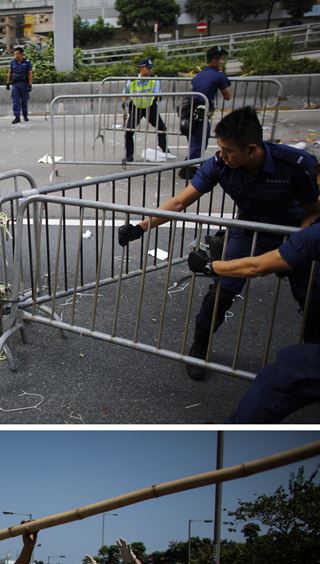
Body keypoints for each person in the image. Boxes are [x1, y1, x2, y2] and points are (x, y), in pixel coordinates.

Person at [117, 106, 320, 380]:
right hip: (248, 230)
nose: (222, 156)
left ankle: (312, 361)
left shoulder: (295, 164)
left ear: (251, 149)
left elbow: (313, 210)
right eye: (220, 149)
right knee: (223, 287)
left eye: (228, 151)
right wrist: (140, 227)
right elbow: (180, 201)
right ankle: (200, 346)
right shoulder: (219, 164)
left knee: (312, 297)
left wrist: (300, 241)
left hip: (293, 232)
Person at [188, 219, 320, 422]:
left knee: (283, 374)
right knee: (221, 294)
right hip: (251, 232)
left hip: (286, 242)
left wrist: (209, 265)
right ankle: (200, 343)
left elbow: (257, 267)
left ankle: (231, 434)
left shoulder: (312, 235)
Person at [179, 46, 231, 180]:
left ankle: (189, 164)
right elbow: (227, 96)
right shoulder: (218, 76)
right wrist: (224, 80)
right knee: (200, 141)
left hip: (189, 111)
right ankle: (188, 170)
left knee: (195, 141)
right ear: (214, 60)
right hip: (200, 113)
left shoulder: (199, 75)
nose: (223, 62)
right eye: (221, 60)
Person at [122, 58, 167, 164]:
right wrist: (124, 104)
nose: (150, 70)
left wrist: (158, 97)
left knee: (162, 128)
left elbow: (156, 95)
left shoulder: (154, 81)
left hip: (149, 107)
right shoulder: (132, 81)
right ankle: (129, 156)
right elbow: (125, 92)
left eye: (151, 68)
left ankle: (164, 150)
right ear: (141, 68)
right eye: (148, 68)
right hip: (136, 107)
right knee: (129, 132)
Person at [6, 46, 33, 125]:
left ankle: (25, 115)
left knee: (24, 101)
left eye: (17, 54)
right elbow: (10, 72)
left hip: (24, 84)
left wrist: (30, 85)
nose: (16, 56)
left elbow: (30, 74)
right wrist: (8, 82)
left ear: (21, 54)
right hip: (15, 84)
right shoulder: (13, 62)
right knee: (15, 101)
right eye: (15, 54)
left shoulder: (27, 62)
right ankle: (17, 117)